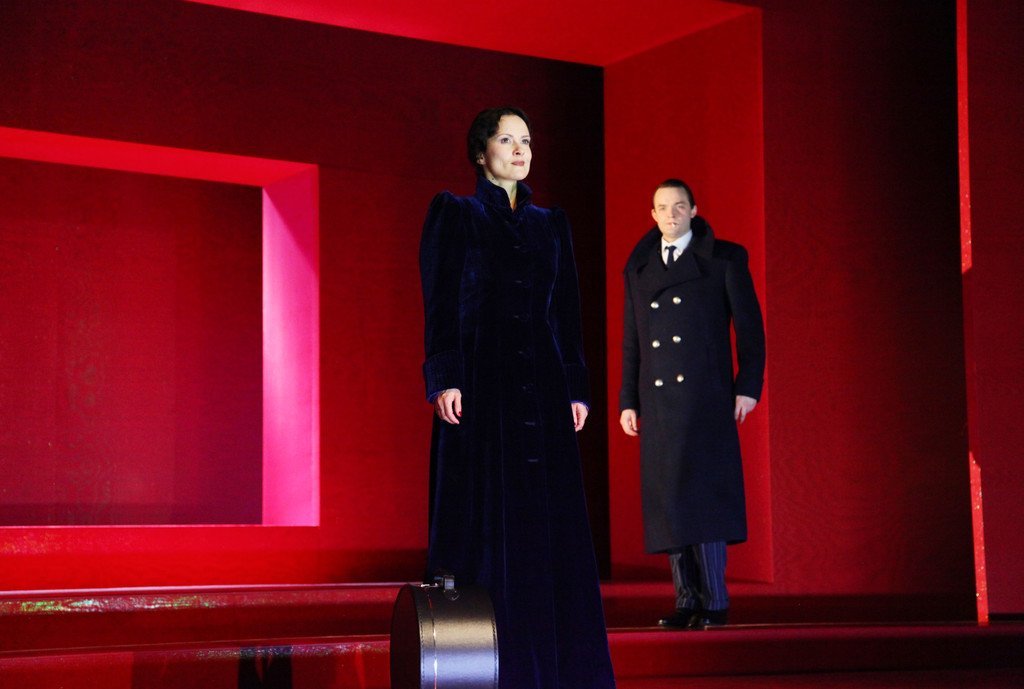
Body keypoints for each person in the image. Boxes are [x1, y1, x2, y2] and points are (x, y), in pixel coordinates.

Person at [420, 106, 616, 689]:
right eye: (506, 139)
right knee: (485, 520)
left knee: (549, 529)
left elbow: (566, 313)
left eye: (525, 139)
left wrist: (576, 387)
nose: (519, 149)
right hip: (484, 386)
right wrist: (445, 376)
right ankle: (493, 667)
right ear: (481, 152)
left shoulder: (551, 225)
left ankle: (558, 670)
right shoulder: (456, 213)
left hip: (543, 390)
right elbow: (440, 302)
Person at [619, 179, 765, 630]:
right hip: (659, 402)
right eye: (663, 207)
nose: (671, 214)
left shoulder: (724, 259)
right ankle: (686, 601)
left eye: (679, 206)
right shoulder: (639, 267)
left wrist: (747, 386)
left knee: (704, 498)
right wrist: (628, 400)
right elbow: (633, 340)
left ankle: (714, 602)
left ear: (694, 210)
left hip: (706, 398)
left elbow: (751, 330)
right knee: (671, 501)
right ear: (653, 214)